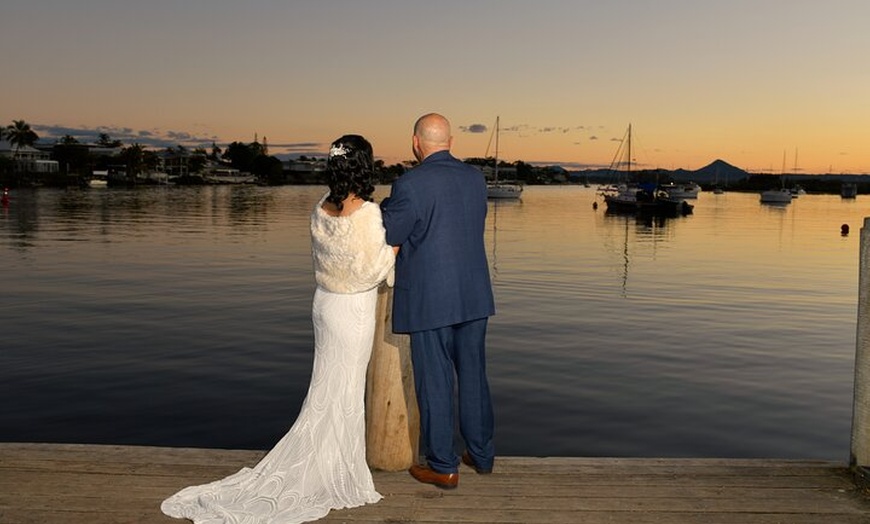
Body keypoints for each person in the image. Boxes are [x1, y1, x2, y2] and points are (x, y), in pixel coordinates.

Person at [161, 134, 395, 523]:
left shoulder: (321, 207)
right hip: (352, 309)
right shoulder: (367, 213)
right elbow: (369, 271)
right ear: (364, 166)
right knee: (345, 392)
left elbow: (332, 259)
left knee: (327, 388)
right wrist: (395, 252)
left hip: (324, 305)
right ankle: (339, 474)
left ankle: (331, 466)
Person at [380, 113, 496, 490]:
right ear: (451, 140)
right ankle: (480, 453)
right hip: (473, 294)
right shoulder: (475, 179)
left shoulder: (409, 184)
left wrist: (384, 208)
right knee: (474, 376)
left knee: (435, 382)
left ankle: (444, 464)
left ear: (416, 142)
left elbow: (393, 232)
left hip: (431, 299)